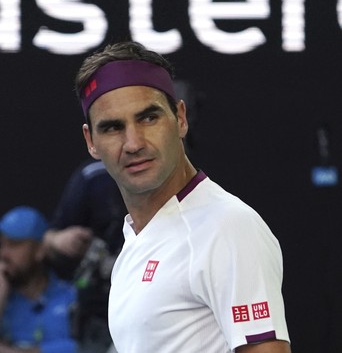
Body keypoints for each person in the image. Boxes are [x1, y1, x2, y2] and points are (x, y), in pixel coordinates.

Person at [74, 40, 291, 352]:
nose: (133, 143)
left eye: (148, 118)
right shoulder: (136, 238)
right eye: (112, 128)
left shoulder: (228, 227)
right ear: (91, 141)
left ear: (180, 118)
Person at [0, 206, 78, 353]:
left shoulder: (71, 296)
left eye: (14, 244)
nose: (3, 254)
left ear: (40, 250)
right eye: (1, 244)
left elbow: (94, 347)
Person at [43, 159, 125, 353]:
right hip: (99, 315)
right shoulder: (95, 177)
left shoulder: (184, 184)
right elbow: (47, 240)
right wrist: (58, 240)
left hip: (154, 307)